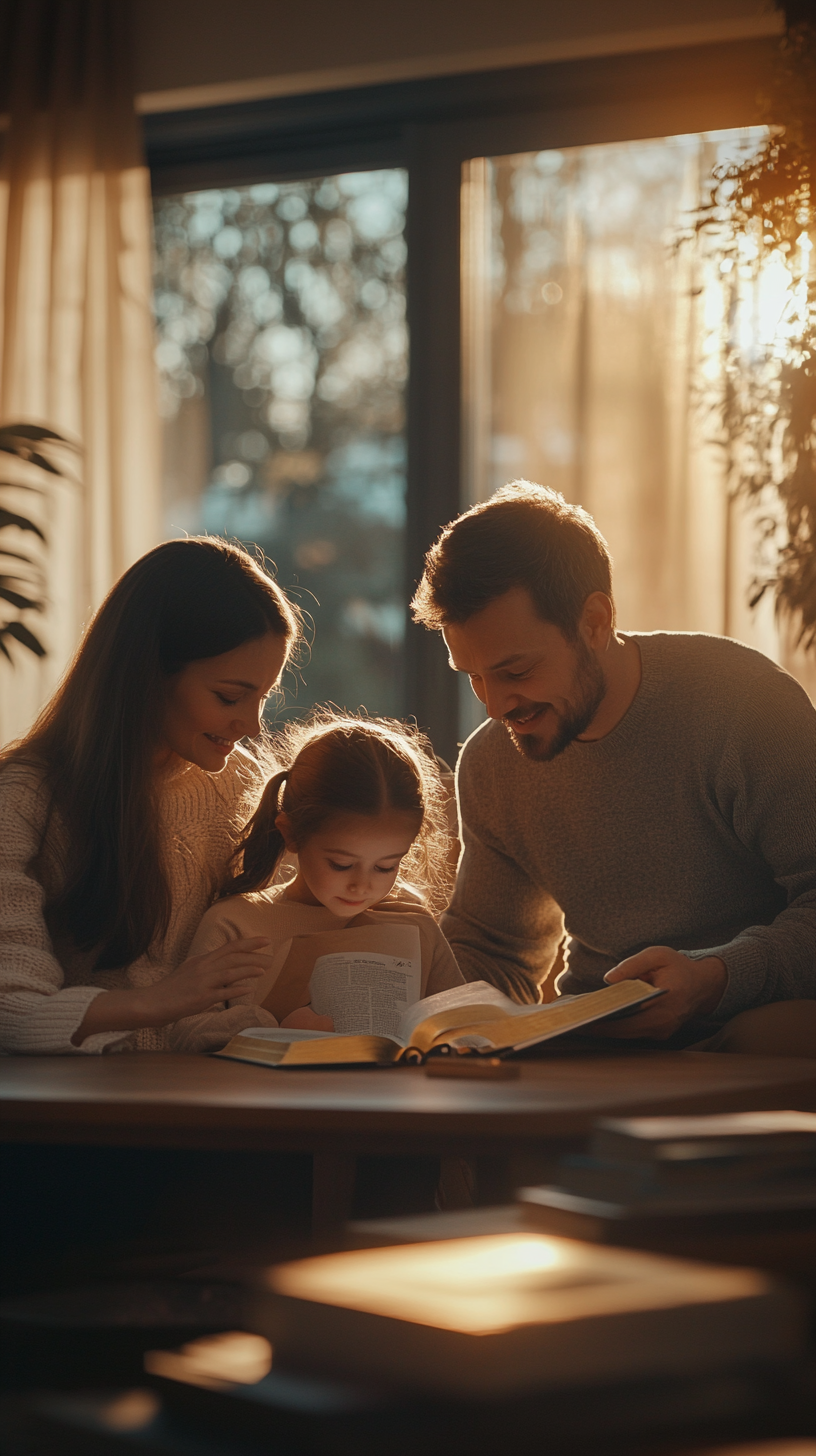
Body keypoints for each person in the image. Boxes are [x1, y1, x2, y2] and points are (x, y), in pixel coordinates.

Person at [411, 481, 816, 1056]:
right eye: (471, 676)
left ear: (595, 622)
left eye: (516, 670)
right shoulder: (492, 764)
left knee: (767, 1038)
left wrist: (712, 979)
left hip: (751, 1027)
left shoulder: (744, 706)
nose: (496, 704)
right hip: (597, 1042)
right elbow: (495, 953)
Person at [0, 537, 300, 1055]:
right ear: (146, 675)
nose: (252, 725)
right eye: (229, 696)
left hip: (217, 1100)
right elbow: (13, 1010)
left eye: (262, 696)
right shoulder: (25, 801)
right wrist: (160, 1002)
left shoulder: (242, 787)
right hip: (83, 1116)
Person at [175, 715, 463, 1053]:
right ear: (291, 834)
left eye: (386, 866)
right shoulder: (237, 922)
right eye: (341, 864)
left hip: (391, 1097)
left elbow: (462, 1018)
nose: (362, 885)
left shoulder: (413, 921)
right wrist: (273, 1028)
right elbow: (183, 1032)